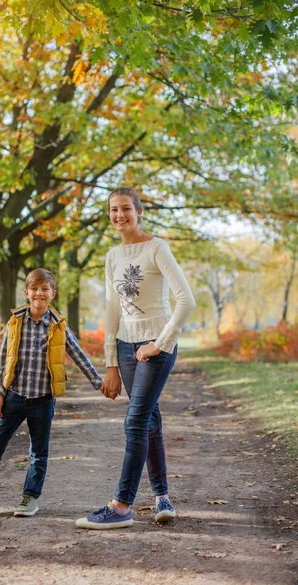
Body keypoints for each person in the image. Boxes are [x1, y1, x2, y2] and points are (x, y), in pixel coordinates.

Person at [76, 187, 196, 530]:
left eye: (126, 208)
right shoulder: (112, 255)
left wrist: (160, 343)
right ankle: (162, 497)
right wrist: (111, 364)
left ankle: (121, 505)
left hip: (155, 347)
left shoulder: (157, 248)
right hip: (126, 348)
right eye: (113, 210)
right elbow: (111, 309)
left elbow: (186, 301)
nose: (119, 215)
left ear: (139, 211)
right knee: (149, 420)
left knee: (135, 421)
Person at [0, 268, 103, 517]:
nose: (39, 293)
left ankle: (30, 497)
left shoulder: (58, 326)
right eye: (34, 289)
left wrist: (100, 383)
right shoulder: (15, 322)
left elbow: (79, 355)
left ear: (52, 294)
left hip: (42, 400)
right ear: (27, 293)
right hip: (13, 396)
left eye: (45, 289)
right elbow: (3, 359)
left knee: (38, 453)